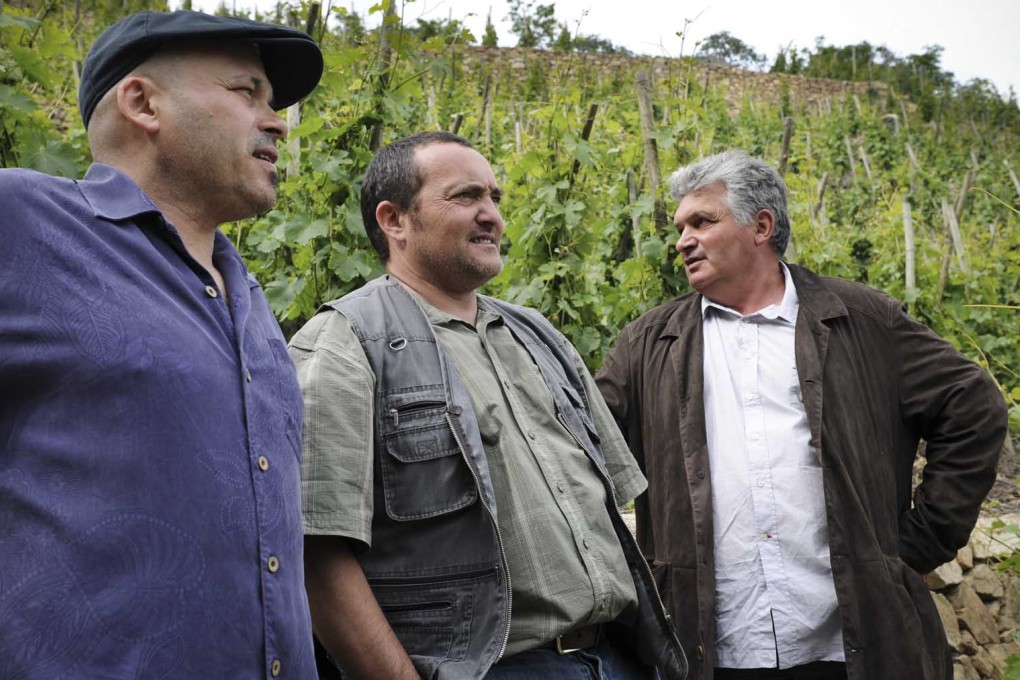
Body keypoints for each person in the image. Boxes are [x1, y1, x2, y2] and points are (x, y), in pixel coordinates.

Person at [595, 149, 1008, 680]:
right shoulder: (648, 343)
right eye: (680, 226)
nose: (682, 240)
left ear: (760, 226)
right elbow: (583, 452)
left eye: (702, 221)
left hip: (853, 643)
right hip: (712, 645)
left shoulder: (862, 320)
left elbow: (973, 405)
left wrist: (919, 542)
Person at [290, 131, 686, 680]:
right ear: (394, 220)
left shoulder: (537, 334)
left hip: (614, 659)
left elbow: (614, 504)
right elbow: (317, 550)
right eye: (466, 196)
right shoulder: (346, 343)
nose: (492, 216)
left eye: (495, 198)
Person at [0, 10, 323, 678]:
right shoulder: (22, 222)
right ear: (143, 103)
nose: (278, 121)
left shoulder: (255, 305)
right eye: (246, 92)